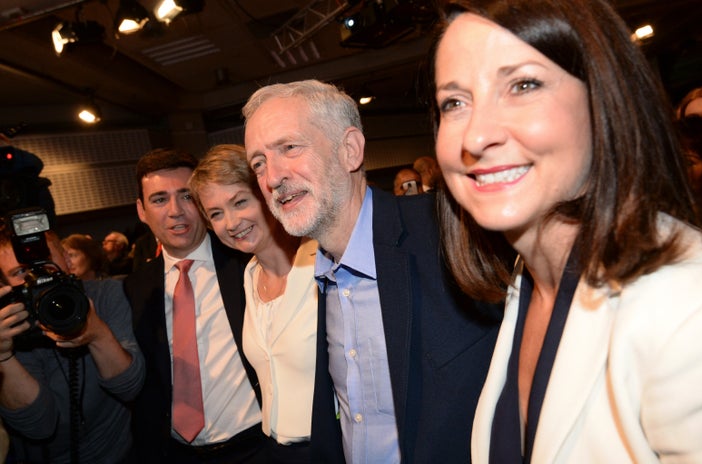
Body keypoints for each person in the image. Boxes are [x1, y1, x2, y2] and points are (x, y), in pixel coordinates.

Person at [431, 0, 702, 462]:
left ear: (605, 100)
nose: (475, 137)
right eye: (455, 102)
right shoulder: (527, 281)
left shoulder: (699, 309)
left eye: (523, 85)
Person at [243, 79, 504, 464]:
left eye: (290, 148)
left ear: (350, 150)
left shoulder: (452, 232)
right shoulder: (318, 277)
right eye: (259, 163)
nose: (272, 178)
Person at [123, 148, 265, 463]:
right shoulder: (134, 288)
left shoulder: (249, 261)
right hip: (175, 454)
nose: (175, 211)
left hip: (257, 447)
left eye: (186, 196)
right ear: (141, 211)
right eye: (159, 199)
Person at [189, 144, 318, 463]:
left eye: (240, 202)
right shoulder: (248, 277)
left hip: (330, 445)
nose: (231, 223)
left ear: (266, 195)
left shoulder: (320, 261)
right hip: (273, 450)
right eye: (216, 214)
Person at [0, 226, 145, 463]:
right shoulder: (10, 326)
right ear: (4, 283)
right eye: (20, 271)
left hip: (121, 454)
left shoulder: (105, 295)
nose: (37, 277)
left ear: (67, 260)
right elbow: (39, 426)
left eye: (45, 262)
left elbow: (130, 388)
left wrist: (97, 333)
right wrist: (3, 356)